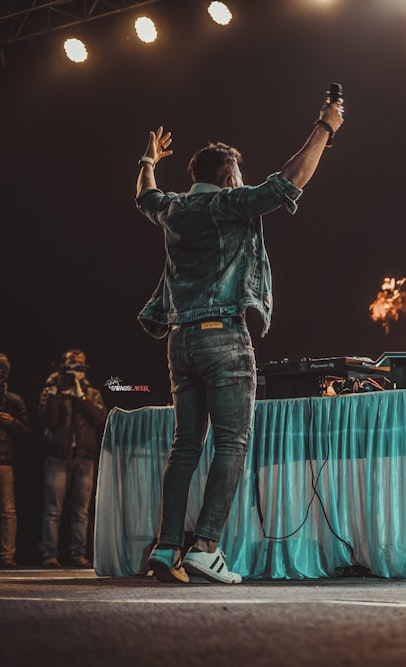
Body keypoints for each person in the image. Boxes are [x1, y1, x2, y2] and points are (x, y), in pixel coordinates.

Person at [136, 88, 345, 584]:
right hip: (223, 338)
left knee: (185, 447)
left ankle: (167, 550)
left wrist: (148, 158)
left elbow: (144, 193)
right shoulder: (228, 204)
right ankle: (205, 548)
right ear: (229, 177)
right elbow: (290, 181)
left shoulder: (172, 208)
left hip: (179, 341)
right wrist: (326, 127)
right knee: (232, 444)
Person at [38, 349, 108, 568]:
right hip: (58, 456)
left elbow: (99, 418)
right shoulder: (53, 390)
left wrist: (81, 396)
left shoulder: (92, 393)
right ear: (63, 366)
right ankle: (50, 555)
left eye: (80, 366)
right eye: (72, 366)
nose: (75, 370)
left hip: (84, 457)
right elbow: (47, 421)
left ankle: (78, 554)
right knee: (53, 510)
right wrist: (53, 394)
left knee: (81, 510)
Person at [0, 353, 29, 568]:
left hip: (4, 460)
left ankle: (6, 557)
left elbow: (27, 433)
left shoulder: (13, 401)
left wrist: (11, 423)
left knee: (7, 511)